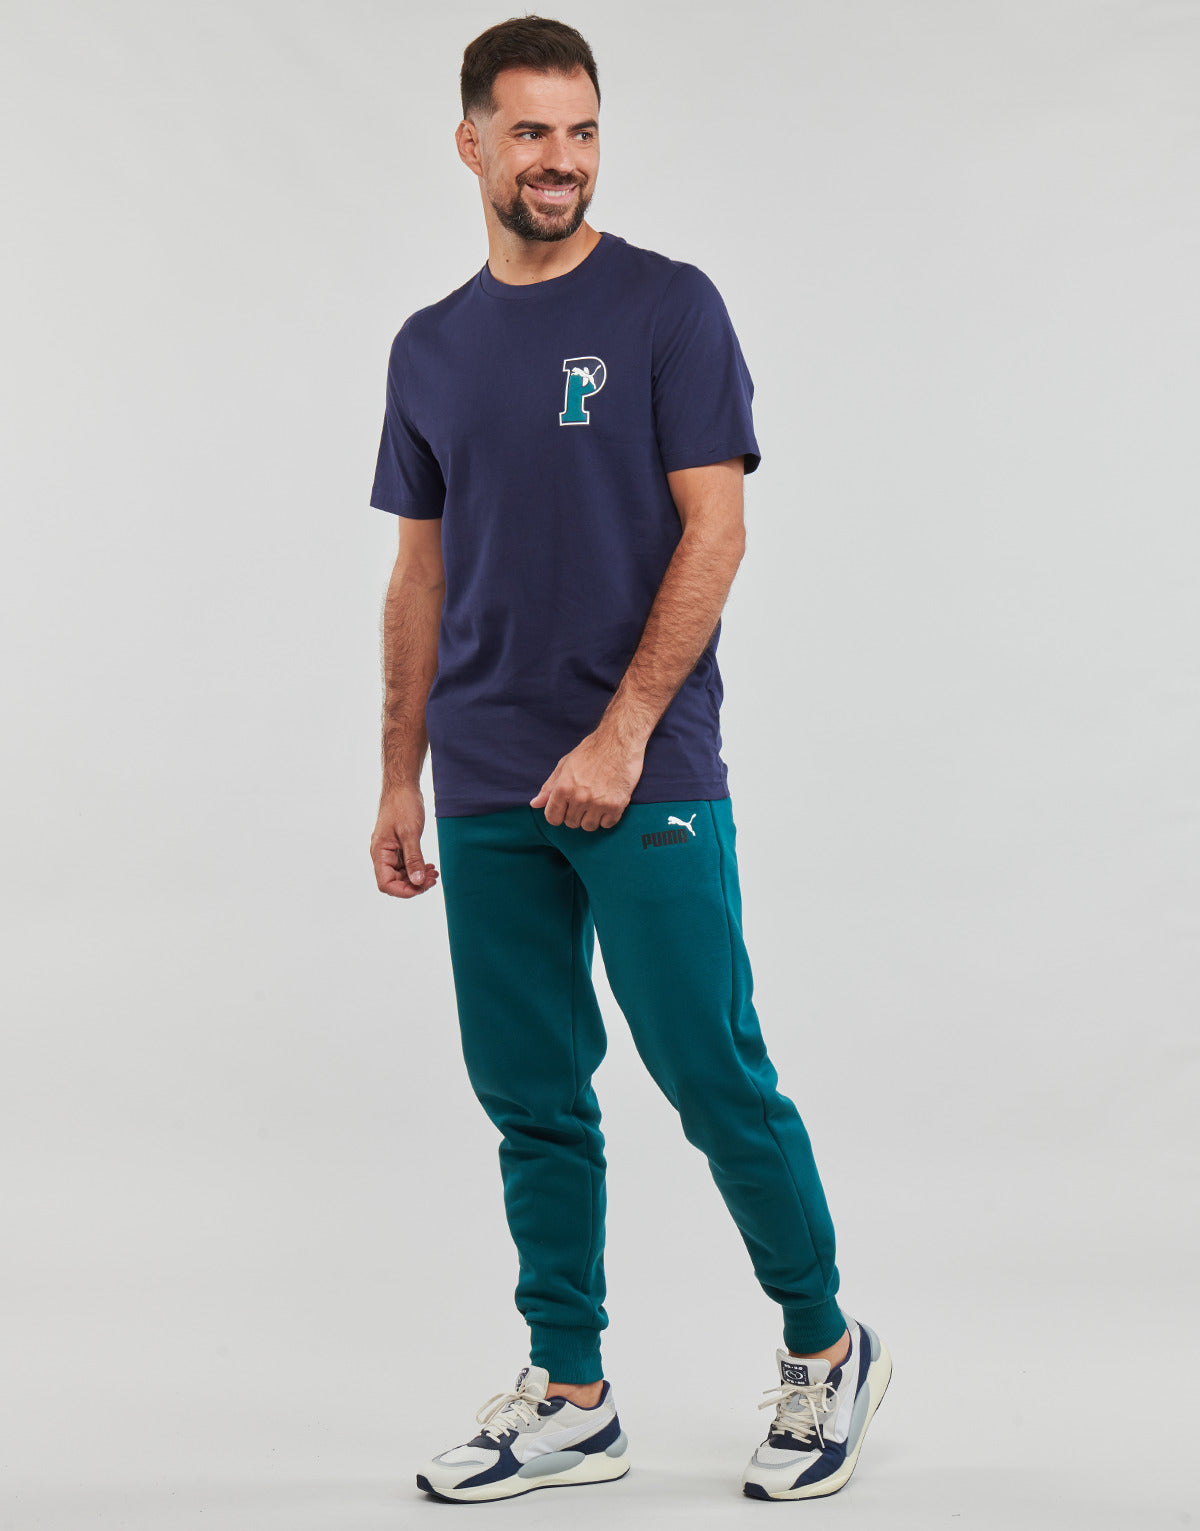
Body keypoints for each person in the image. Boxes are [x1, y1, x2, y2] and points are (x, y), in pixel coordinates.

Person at [368, 15, 891, 1505]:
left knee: (710, 1068)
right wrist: (400, 773)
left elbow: (717, 530)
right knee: (531, 1095)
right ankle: (571, 1394)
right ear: (471, 142)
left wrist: (621, 731)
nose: (562, 159)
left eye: (584, 131)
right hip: (484, 776)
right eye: (532, 131)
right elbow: (419, 573)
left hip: (646, 769)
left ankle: (824, 1347)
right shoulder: (429, 346)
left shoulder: (668, 306)